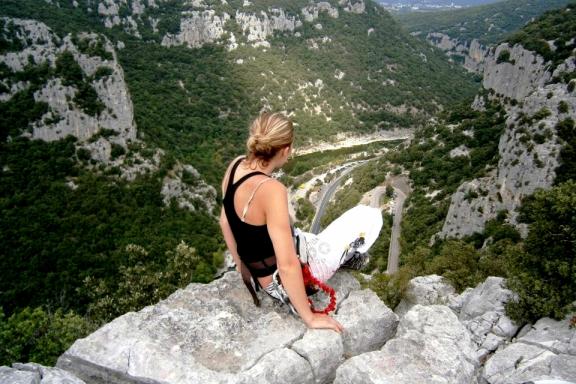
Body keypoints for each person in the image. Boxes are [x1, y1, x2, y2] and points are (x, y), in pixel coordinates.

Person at [220, 112, 382, 332]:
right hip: (280, 279)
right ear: (286, 150)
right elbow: (287, 265)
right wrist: (309, 318)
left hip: (260, 272)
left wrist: (243, 268)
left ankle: (347, 255)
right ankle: (354, 257)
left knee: (321, 236)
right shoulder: (272, 190)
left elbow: (225, 222)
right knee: (368, 216)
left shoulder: (235, 166)